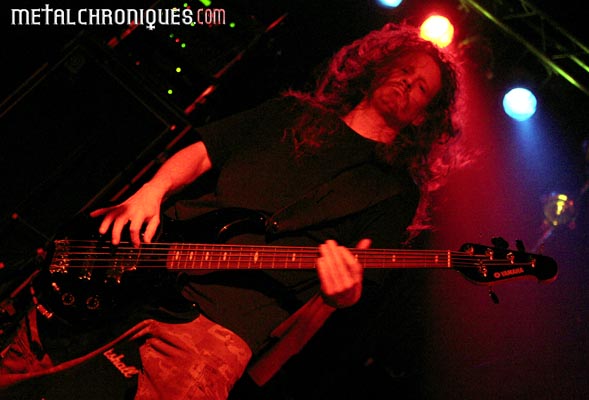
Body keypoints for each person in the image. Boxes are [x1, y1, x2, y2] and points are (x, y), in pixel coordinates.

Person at [0, 22, 462, 399]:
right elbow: (203, 152)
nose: (408, 82)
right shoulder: (288, 113)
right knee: (22, 371)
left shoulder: (394, 193)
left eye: (422, 87)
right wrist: (150, 191)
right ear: (378, 68)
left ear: (424, 116)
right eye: (404, 69)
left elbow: (350, 294)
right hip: (139, 259)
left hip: (217, 329)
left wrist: (345, 292)